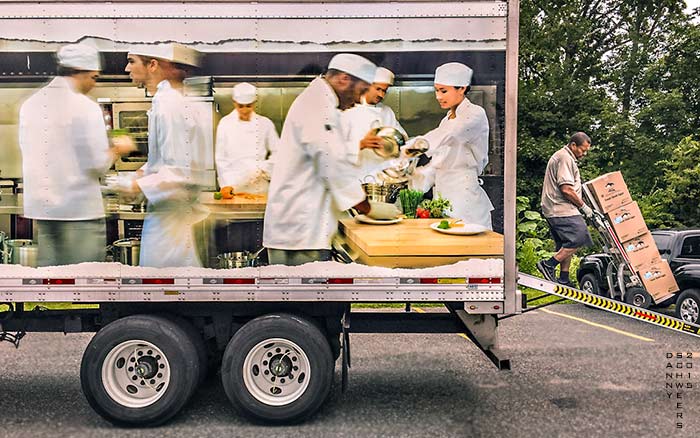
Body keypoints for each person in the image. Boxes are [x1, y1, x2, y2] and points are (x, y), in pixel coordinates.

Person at [263, 53, 401, 266]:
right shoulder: (318, 105)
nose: (358, 101)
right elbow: (331, 164)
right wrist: (369, 208)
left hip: (301, 227)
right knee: (309, 298)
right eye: (361, 91)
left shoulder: (320, 101)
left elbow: (335, 156)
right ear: (344, 80)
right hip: (300, 231)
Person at [18, 43, 134, 266]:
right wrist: (119, 148)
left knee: (51, 283)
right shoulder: (84, 107)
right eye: (94, 77)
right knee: (84, 283)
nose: (93, 84)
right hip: (79, 211)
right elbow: (97, 164)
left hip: (44, 210)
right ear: (82, 72)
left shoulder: (31, 104)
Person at [123, 43, 209, 268]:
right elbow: (166, 160)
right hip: (169, 217)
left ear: (152, 65)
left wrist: (134, 185)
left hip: (170, 221)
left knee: (165, 291)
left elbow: (178, 172)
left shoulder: (168, 104)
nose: (126, 68)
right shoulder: (167, 100)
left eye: (132, 61)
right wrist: (144, 170)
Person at [408, 62, 494, 229]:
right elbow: (438, 163)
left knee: (469, 250)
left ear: (462, 88)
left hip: (464, 198)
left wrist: (410, 148)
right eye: (436, 90)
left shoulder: (475, 114)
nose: (438, 96)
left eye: (443, 91)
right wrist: (412, 180)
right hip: (442, 198)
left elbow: (450, 134)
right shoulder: (445, 120)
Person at [537, 132, 594, 285]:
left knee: (567, 243)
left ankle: (564, 278)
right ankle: (548, 264)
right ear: (573, 145)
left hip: (556, 207)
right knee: (580, 236)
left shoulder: (565, 157)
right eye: (582, 150)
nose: (584, 154)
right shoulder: (565, 158)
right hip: (560, 207)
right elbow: (567, 189)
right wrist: (584, 207)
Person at [342, 67, 407, 178]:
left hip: (383, 176)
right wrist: (361, 144)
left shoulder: (387, 112)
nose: (381, 95)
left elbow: (402, 138)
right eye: (378, 89)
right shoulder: (347, 112)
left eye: (384, 91)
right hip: (356, 176)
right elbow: (333, 150)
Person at [215, 82, 279, 194]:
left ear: (254, 103)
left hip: (259, 184)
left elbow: (279, 152)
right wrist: (226, 184)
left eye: (248, 106)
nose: (244, 110)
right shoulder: (225, 124)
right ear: (234, 103)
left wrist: (263, 168)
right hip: (233, 185)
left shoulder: (265, 123)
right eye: (240, 106)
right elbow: (221, 158)